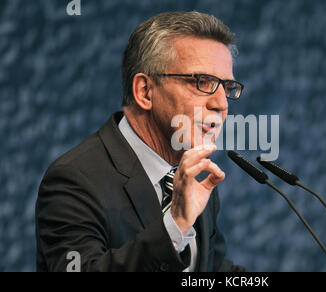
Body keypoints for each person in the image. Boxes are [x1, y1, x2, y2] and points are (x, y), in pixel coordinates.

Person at [35, 11, 245, 272]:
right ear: (145, 92)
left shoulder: (193, 173)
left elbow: (212, 270)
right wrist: (175, 224)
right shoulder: (73, 180)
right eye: (203, 82)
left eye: (227, 88)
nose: (221, 104)